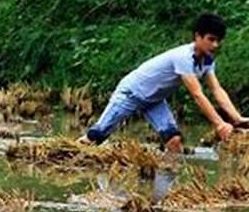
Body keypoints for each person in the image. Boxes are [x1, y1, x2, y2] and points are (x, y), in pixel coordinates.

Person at [81, 13, 248, 152]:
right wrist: (219, 124)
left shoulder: (207, 61)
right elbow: (197, 94)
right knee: (96, 137)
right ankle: (70, 156)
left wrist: (236, 118)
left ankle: (164, 188)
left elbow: (216, 89)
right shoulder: (183, 57)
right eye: (211, 39)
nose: (215, 45)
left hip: (154, 100)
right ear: (197, 36)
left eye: (218, 41)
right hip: (131, 93)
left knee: (174, 141)